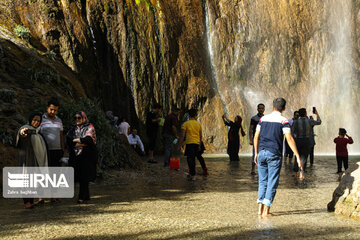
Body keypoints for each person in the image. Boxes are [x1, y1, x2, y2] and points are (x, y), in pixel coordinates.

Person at [254, 98, 303, 217]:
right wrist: (297, 155)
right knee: (272, 183)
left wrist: (256, 153)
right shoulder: (283, 120)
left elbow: (256, 136)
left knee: (262, 182)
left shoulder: (263, 119)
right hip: (274, 154)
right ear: (284, 108)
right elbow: (289, 138)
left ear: (272, 107)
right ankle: (266, 211)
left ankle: (259, 210)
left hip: (262, 153)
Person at [16, 113, 48, 209]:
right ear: (30, 119)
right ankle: (27, 202)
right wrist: (23, 133)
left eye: (38, 121)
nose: (36, 122)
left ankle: (31, 201)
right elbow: (22, 134)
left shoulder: (37, 132)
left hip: (35, 160)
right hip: (27, 159)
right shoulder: (26, 128)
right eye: (34, 120)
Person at [66, 112, 97, 204]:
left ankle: (81, 198)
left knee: (85, 176)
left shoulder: (90, 127)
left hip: (87, 155)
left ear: (84, 118)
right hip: (76, 156)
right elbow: (69, 140)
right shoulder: (73, 129)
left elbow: (89, 140)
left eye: (79, 118)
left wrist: (77, 140)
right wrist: (82, 142)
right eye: (75, 118)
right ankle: (86, 195)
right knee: (80, 176)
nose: (77, 120)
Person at [39, 98, 64, 203]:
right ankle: (41, 197)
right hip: (44, 151)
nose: (53, 112)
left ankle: (54, 195)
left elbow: (61, 135)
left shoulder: (59, 120)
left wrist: (63, 149)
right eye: (51, 109)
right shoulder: (41, 120)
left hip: (57, 151)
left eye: (55, 110)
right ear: (47, 108)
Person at [179, 109, 207, 180]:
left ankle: (193, 175)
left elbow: (182, 136)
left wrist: (180, 145)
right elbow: (200, 136)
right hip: (197, 143)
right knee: (197, 157)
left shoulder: (185, 124)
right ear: (195, 115)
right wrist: (200, 145)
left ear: (188, 115)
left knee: (190, 159)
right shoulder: (198, 124)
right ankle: (198, 171)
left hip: (190, 143)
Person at [292, 108, 321, 174]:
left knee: (297, 155)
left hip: (298, 140)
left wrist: (294, 140)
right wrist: (317, 113)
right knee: (304, 157)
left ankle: (295, 173)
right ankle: (302, 172)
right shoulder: (309, 121)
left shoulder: (295, 122)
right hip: (307, 141)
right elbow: (319, 122)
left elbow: (292, 132)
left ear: (299, 114)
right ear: (305, 114)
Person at [249, 103, 265, 174]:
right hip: (256, 138)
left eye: (262, 108)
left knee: (263, 154)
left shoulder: (265, 118)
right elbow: (251, 129)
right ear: (257, 109)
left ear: (264, 109)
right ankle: (253, 169)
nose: (261, 110)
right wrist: (250, 139)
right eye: (260, 108)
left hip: (264, 139)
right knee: (255, 153)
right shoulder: (254, 118)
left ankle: (261, 169)